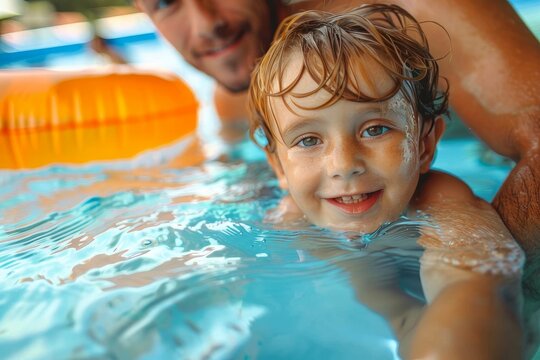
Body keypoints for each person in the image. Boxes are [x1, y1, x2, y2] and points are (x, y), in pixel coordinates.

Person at [133, 0, 540, 277]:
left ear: (427, 141)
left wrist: (477, 288)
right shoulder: (231, 99)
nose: (207, 23)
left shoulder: (422, 9)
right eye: (166, 2)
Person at [247, 5, 525, 358]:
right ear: (279, 167)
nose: (344, 165)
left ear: (425, 144)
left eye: (375, 129)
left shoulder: (440, 198)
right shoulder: (289, 222)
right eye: (308, 140)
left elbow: (471, 283)